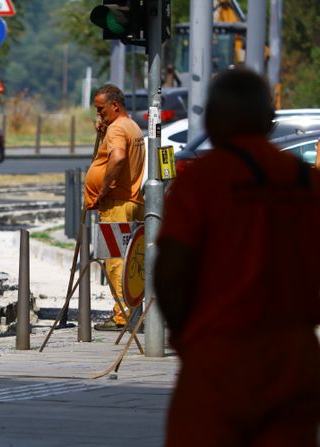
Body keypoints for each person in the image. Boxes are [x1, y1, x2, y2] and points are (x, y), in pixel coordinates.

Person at [154, 68, 320, 446]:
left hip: (219, 357)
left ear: (211, 119)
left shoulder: (203, 180)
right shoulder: (306, 181)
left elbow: (172, 269)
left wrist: (185, 335)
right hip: (294, 360)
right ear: (270, 121)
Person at [84, 84, 145, 330]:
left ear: (115, 105)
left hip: (118, 204)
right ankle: (132, 311)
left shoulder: (117, 129)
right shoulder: (130, 126)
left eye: (101, 110)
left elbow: (118, 157)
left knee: (116, 261)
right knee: (130, 260)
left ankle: (123, 316)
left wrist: (104, 188)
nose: (99, 115)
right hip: (130, 202)